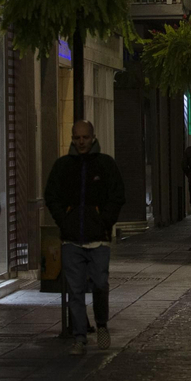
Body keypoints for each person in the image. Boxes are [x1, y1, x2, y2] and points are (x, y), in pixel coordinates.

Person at [44, 120, 126, 355]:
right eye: (77, 138)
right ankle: (80, 337)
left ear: (93, 138)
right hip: (71, 240)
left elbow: (117, 194)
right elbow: (51, 196)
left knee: (100, 284)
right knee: (75, 290)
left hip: (98, 239)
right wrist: (65, 219)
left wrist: (104, 220)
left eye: (85, 138)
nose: (81, 142)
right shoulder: (63, 166)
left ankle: (101, 323)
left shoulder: (105, 165)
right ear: (72, 138)